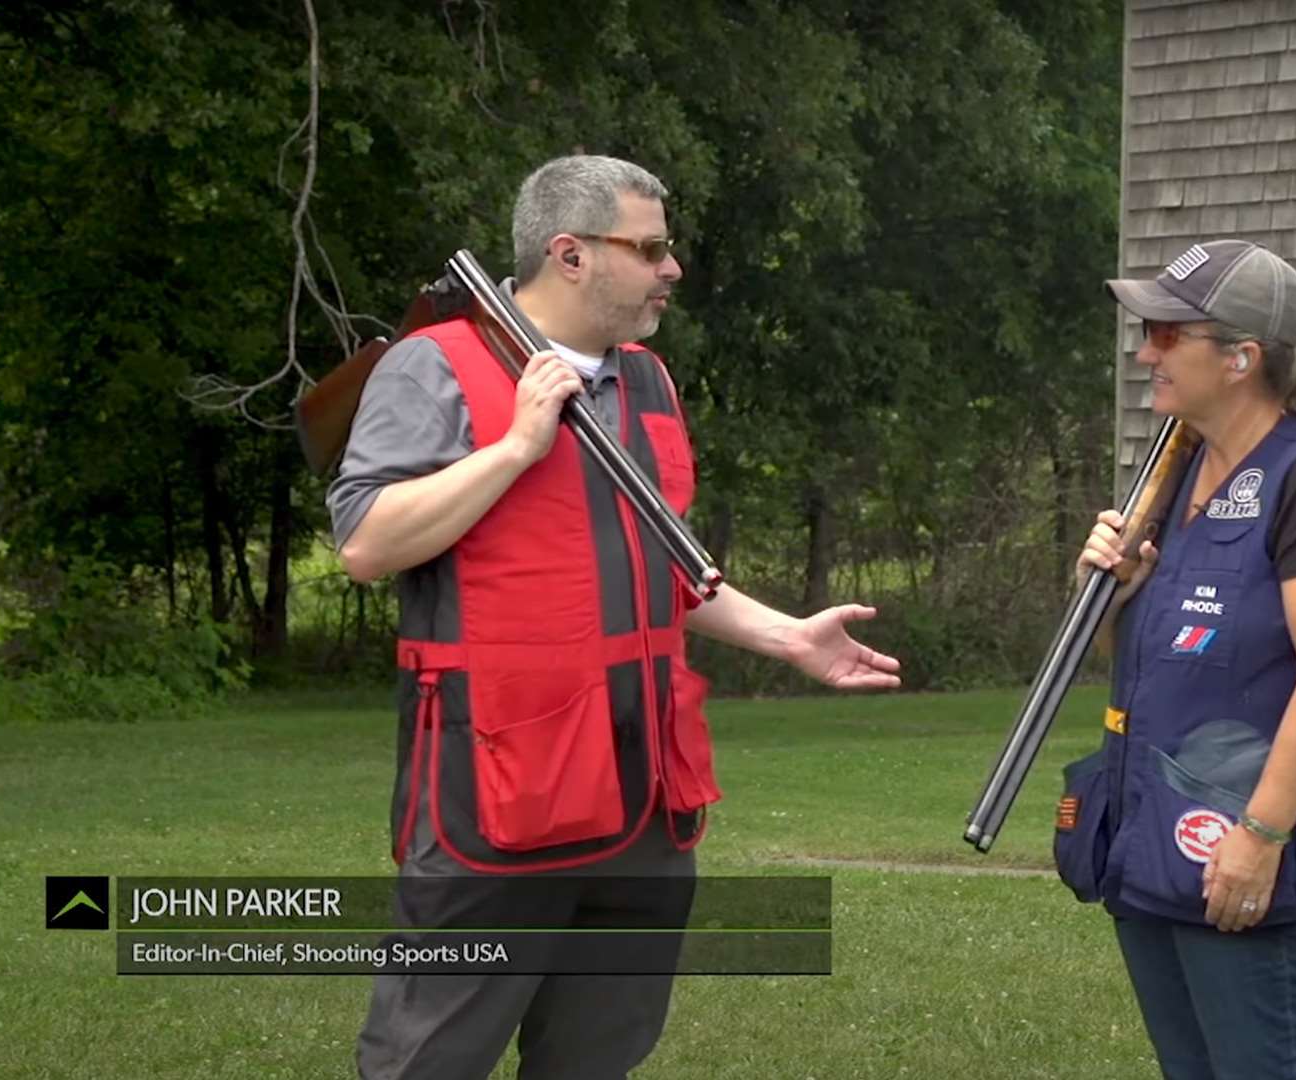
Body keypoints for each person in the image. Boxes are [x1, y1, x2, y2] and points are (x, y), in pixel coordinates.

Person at [326, 153, 901, 1080]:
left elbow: (661, 572)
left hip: (643, 789)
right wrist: (516, 446)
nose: (673, 269)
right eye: (653, 248)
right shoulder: (436, 364)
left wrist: (787, 636)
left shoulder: (649, 383)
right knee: (429, 1058)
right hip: (498, 785)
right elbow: (366, 543)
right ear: (571, 253)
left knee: (599, 1053)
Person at [1056, 239, 1296, 1079]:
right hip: (1146, 839)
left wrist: (1259, 835)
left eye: (1169, 335)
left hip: (1238, 845)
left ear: (1241, 357)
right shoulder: (1172, 473)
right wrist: (1114, 588)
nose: (1145, 353)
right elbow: (1144, 660)